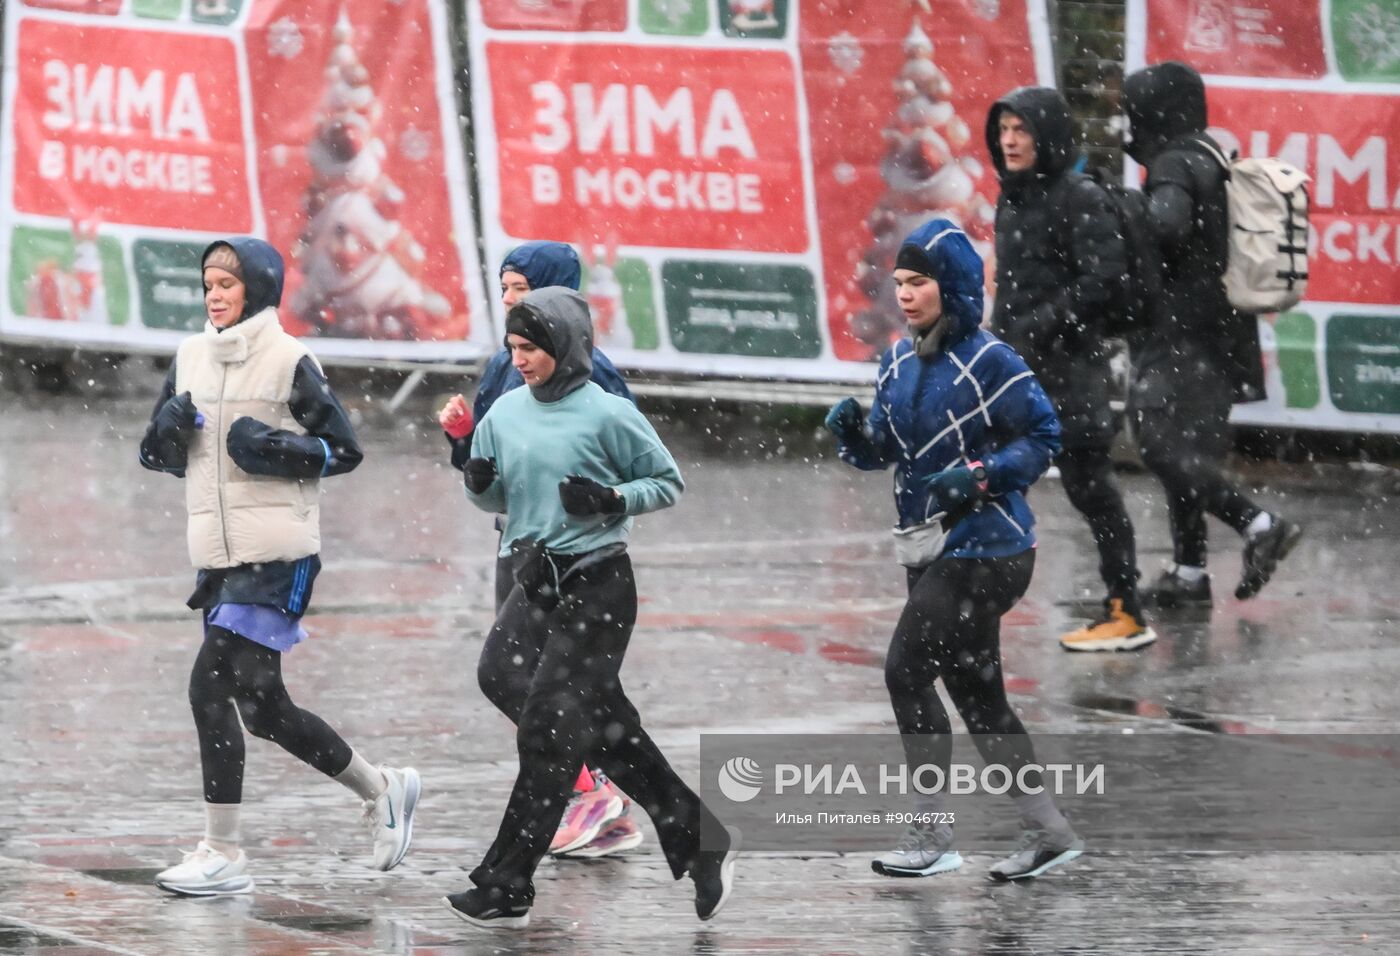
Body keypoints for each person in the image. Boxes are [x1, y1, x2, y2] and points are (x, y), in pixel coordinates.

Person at [443, 286, 737, 928]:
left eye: (532, 348)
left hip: (599, 584)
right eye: (513, 348)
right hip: (536, 581)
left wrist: (611, 499)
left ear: (566, 346)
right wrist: (476, 480)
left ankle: (506, 883)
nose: (520, 360)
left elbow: (667, 483)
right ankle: (691, 828)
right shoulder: (505, 413)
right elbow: (494, 500)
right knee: (509, 681)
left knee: (548, 729)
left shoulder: (607, 412)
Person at [138, 237, 419, 896]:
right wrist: (167, 432)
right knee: (264, 710)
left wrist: (275, 448)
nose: (214, 295)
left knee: (209, 687)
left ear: (257, 289)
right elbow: (158, 458)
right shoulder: (188, 356)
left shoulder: (290, 360)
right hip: (216, 558)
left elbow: (343, 450)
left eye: (227, 284)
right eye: (208, 283)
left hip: (276, 555)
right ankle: (381, 788)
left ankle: (223, 852)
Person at [826, 218, 1083, 882]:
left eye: (920, 282)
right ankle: (1050, 832)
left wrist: (981, 476)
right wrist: (854, 437)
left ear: (955, 286)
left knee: (905, 670)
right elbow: (889, 451)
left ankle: (931, 832)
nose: (906, 294)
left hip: (991, 548)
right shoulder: (897, 360)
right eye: (900, 283)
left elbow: (1044, 437)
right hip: (928, 549)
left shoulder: (992, 360)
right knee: (980, 700)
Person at [437, 241, 639, 859]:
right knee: (529, 676)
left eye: (520, 288)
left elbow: (632, 464)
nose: (509, 301)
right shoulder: (505, 364)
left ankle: (593, 791)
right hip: (518, 542)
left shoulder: (595, 372)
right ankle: (601, 801)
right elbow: (488, 465)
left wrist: (593, 501)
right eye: (503, 289)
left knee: (523, 675)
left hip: (576, 554)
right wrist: (463, 441)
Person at [1122, 61, 1301, 606]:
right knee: (1190, 452)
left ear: (1156, 111)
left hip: (1180, 335)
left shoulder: (1174, 161)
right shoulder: (1211, 153)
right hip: (1220, 336)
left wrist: (1121, 206)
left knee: (1157, 442)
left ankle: (1259, 524)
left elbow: (1166, 225)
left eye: (1135, 110)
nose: (1129, 123)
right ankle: (1189, 573)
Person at [985, 87, 1155, 653]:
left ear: (1048, 136)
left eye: (1022, 130)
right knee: (988, 481)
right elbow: (1014, 285)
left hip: (1068, 370)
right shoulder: (1012, 197)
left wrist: (1043, 324)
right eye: (1004, 129)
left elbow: (1102, 279)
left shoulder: (1078, 197)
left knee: (1091, 490)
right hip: (1014, 370)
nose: (1010, 141)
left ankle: (1126, 610)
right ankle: (972, 602)